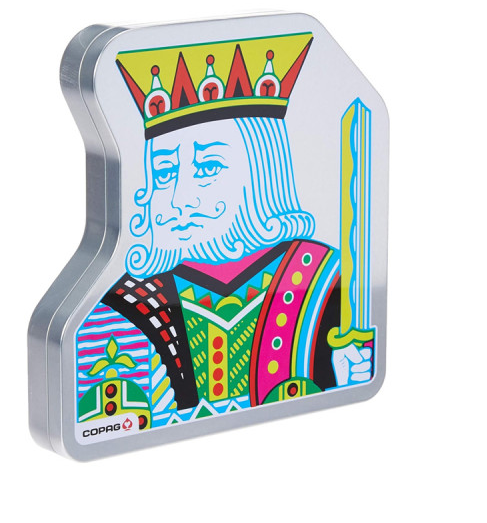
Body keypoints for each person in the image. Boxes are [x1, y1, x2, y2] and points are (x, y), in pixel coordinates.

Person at [75, 35, 374, 429]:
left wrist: (344, 377)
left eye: (208, 168)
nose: (180, 199)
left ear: (262, 173)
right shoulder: (124, 306)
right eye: (164, 172)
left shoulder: (328, 280)